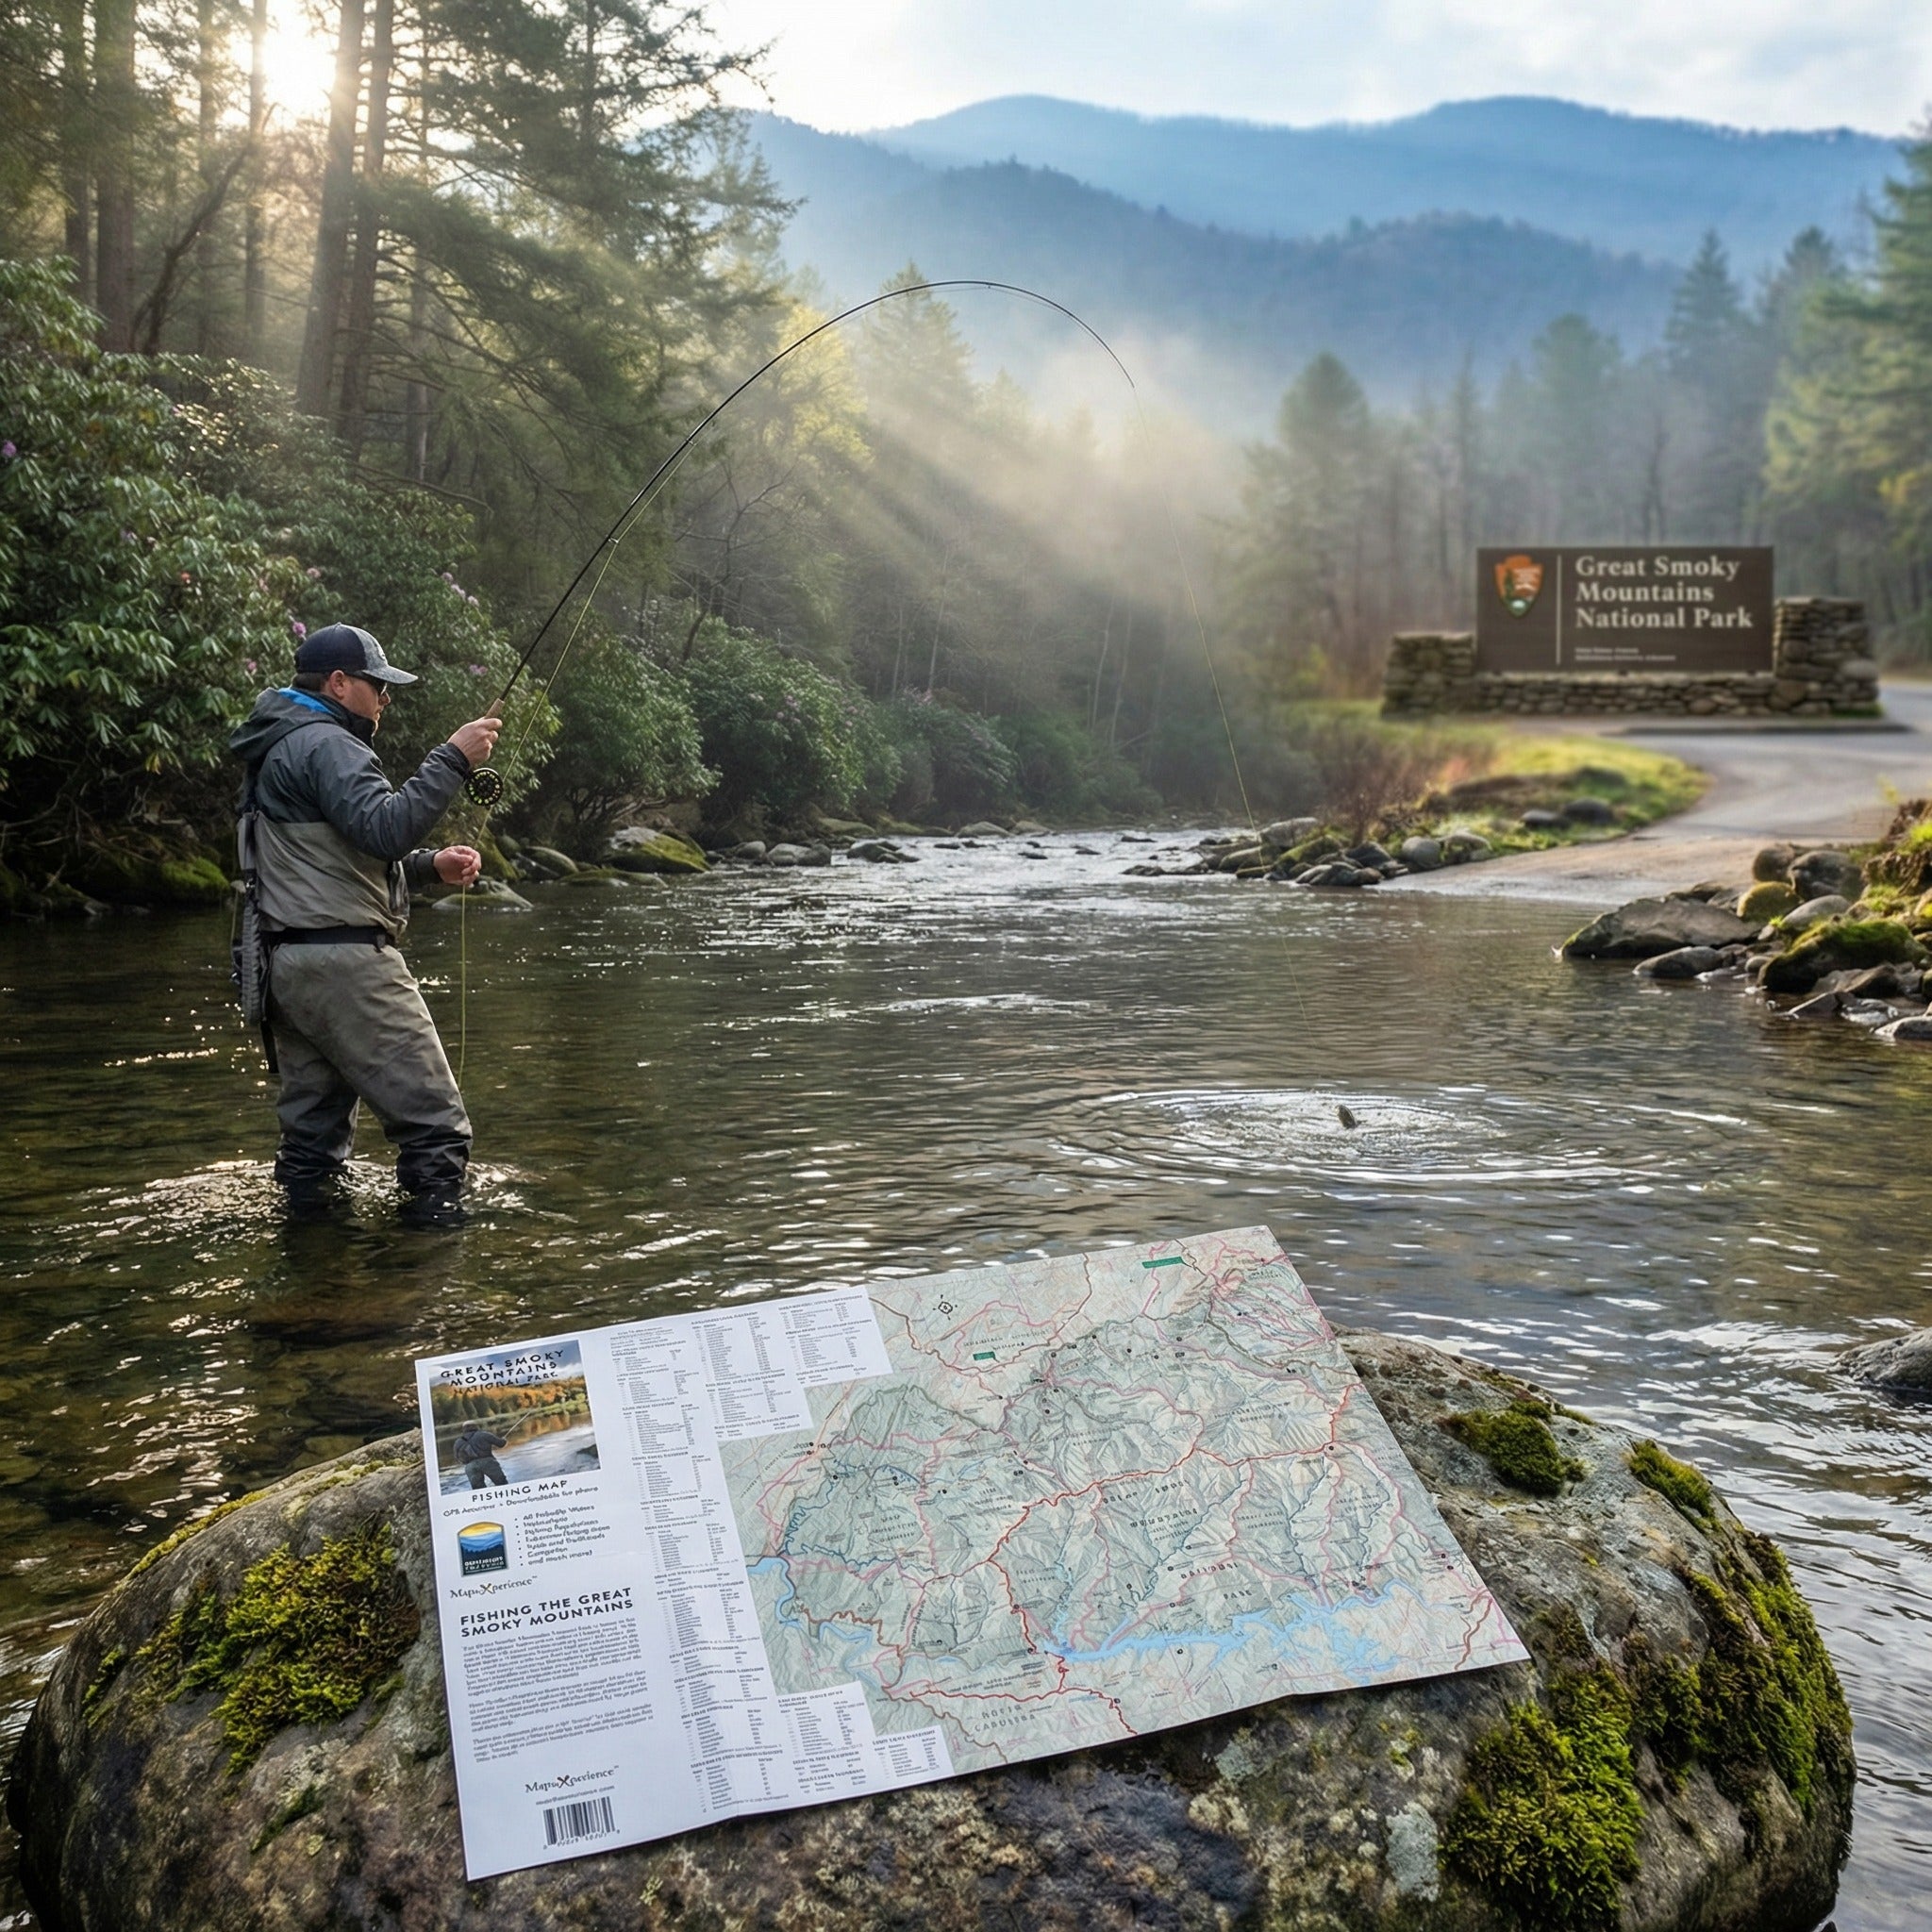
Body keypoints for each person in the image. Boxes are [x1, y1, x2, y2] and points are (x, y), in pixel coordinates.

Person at [229, 623, 502, 1224]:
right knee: (437, 1129)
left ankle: (312, 1285)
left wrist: (430, 866)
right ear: (338, 682)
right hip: (346, 967)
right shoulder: (327, 744)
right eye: (377, 685)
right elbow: (385, 828)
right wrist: (453, 758)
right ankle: (423, 1286)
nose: (384, 699)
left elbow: (332, 856)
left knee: (312, 1148)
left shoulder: (277, 743)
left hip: (286, 970)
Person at [453, 1423, 509, 1488]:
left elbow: (456, 1457)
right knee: (502, 1484)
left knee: (478, 1490)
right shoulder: (484, 1434)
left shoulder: (458, 1441)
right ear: (476, 1426)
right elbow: (501, 1444)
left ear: (463, 1429)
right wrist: (504, 1440)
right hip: (488, 1462)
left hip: (470, 1467)